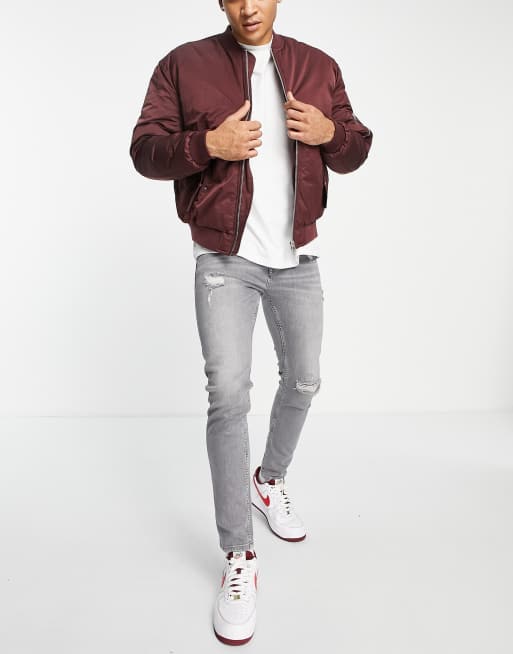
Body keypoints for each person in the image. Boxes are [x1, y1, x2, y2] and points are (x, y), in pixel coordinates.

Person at [129, 0, 372, 645]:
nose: (248, 6)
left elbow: (355, 149)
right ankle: (239, 555)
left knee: (305, 380)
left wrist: (330, 133)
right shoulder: (183, 65)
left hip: (296, 256)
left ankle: (269, 480)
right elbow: (145, 151)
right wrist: (205, 145)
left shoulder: (318, 66)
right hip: (223, 258)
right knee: (229, 396)